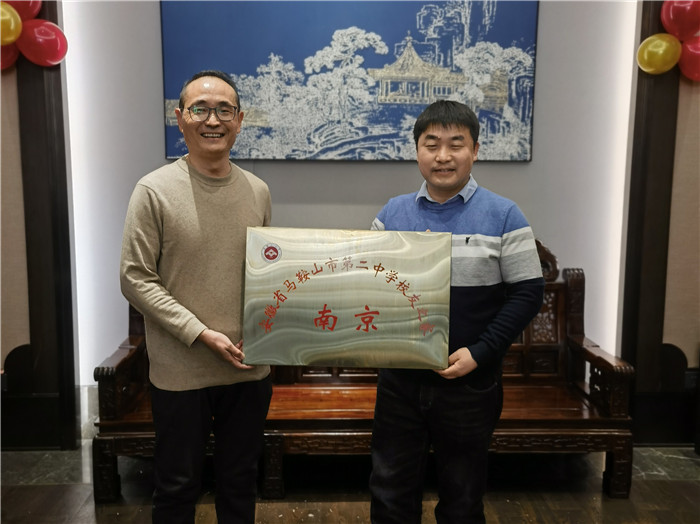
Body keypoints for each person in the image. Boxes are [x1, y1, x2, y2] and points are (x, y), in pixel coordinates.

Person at [368, 100, 545, 524]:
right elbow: (370, 289)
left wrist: (480, 353)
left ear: (475, 150)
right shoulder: (391, 214)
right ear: (417, 151)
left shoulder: (505, 214)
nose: (443, 156)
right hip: (400, 383)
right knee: (390, 493)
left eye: (456, 144)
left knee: (463, 499)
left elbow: (528, 293)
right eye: (431, 145)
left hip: (471, 384)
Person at [120, 70, 272, 524]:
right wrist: (201, 333)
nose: (213, 120)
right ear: (179, 117)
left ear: (239, 120)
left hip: (248, 368)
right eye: (200, 109)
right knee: (176, 486)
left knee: (240, 483)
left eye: (224, 110)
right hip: (180, 371)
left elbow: (267, 272)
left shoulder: (258, 191)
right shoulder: (153, 190)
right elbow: (135, 278)